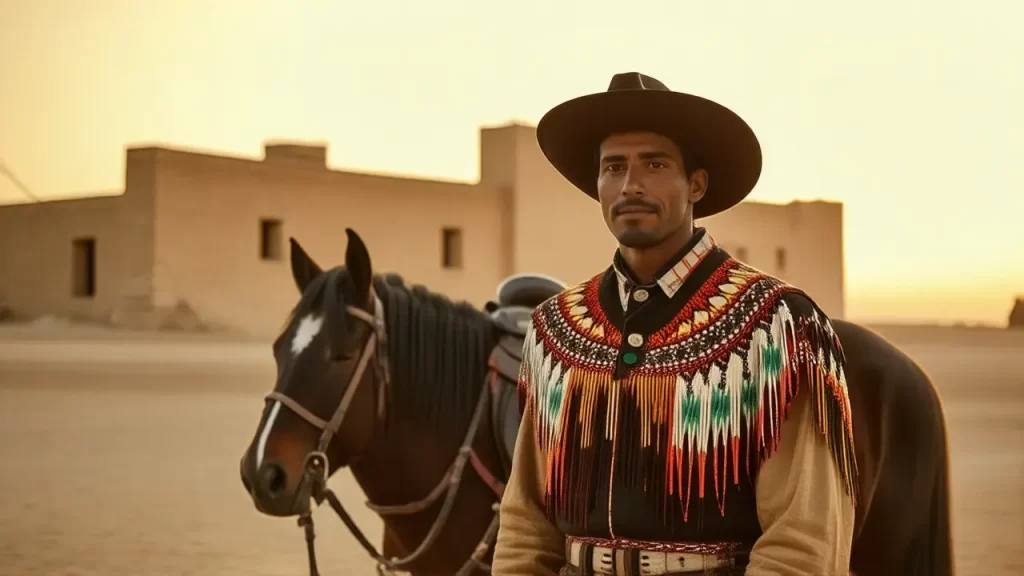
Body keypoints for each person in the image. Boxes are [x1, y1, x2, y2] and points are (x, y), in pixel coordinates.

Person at [492, 72, 858, 576]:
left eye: (655, 163)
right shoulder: (554, 330)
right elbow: (525, 524)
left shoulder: (778, 327)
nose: (630, 184)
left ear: (697, 184)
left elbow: (802, 542)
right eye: (613, 167)